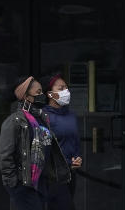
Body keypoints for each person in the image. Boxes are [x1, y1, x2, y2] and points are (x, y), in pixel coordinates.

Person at [0, 76, 71, 210]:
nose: (42, 95)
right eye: (38, 92)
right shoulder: (14, 121)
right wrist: (14, 184)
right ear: (26, 96)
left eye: (42, 92)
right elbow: (5, 155)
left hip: (41, 183)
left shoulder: (41, 118)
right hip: (24, 185)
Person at [43, 74, 83, 210]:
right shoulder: (44, 116)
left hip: (71, 173)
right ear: (50, 94)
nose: (66, 91)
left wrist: (77, 159)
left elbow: (75, 140)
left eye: (66, 87)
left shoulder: (71, 116)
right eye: (61, 88)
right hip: (54, 174)